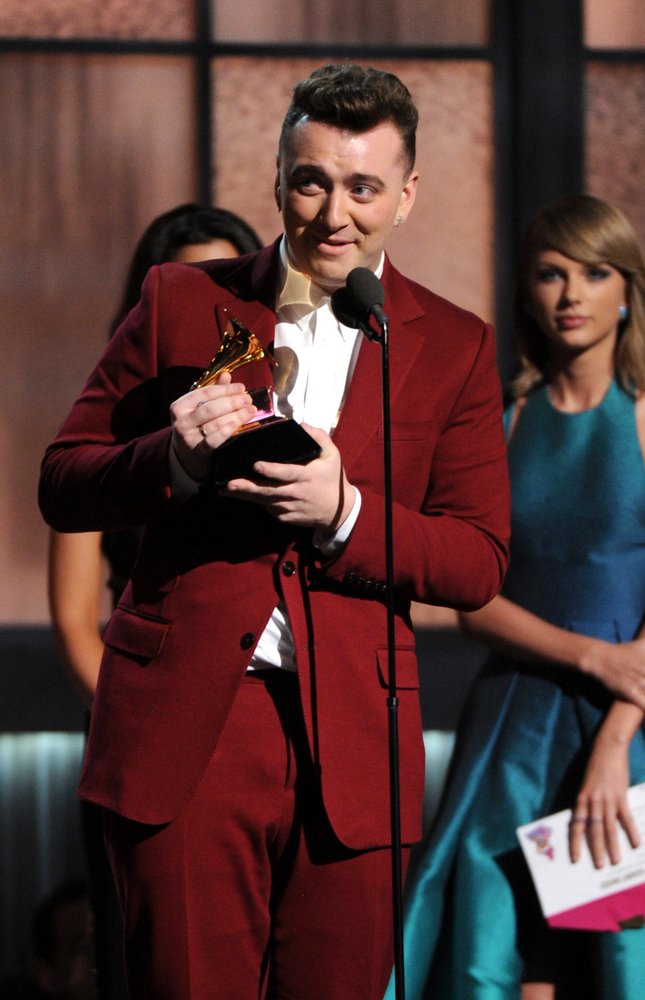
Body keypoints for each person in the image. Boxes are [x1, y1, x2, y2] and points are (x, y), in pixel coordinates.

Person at [38, 64, 510, 1000]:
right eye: (312, 181)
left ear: (406, 196)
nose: (335, 212)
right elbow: (64, 481)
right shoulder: (181, 299)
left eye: (365, 187)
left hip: (356, 737)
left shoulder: (456, 345)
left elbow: (479, 560)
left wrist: (346, 514)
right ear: (280, 177)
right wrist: (168, 463)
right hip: (188, 727)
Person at [391, 194, 645, 999]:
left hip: (644, 717)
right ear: (528, 296)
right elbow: (474, 603)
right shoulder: (498, 428)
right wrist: (592, 656)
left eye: (594, 272)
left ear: (627, 290)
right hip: (518, 710)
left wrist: (614, 740)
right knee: (502, 956)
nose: (571, 293)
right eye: (551, 273)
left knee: (637, 960)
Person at [46, 203, 263, 1000]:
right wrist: (147, 717)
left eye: (221, 287)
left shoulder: (284, 411)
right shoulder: (107, 427)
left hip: (263, 726)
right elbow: (74, 619)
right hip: (139, 727)